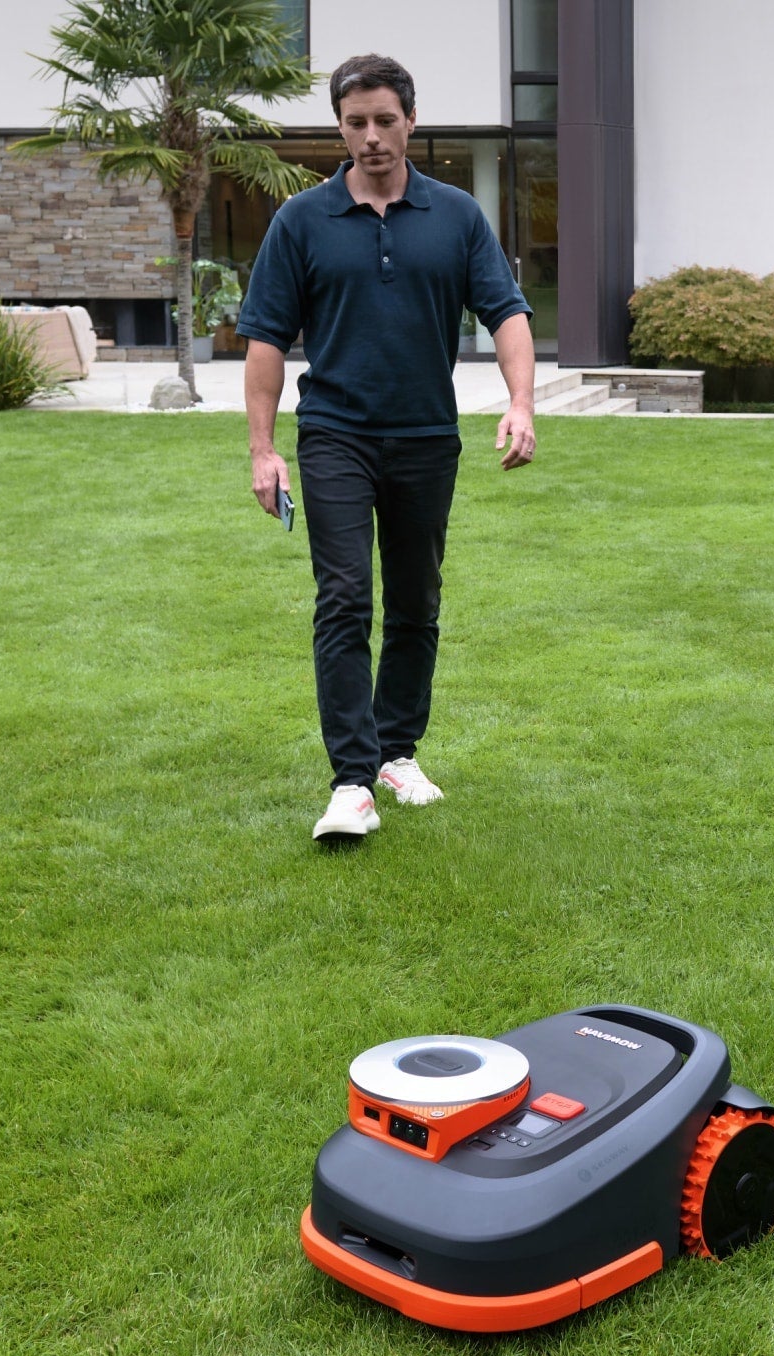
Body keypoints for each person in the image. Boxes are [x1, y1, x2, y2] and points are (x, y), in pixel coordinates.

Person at [234, 53, 537, 843]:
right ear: (339, 127)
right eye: (354, 122)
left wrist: (521, 402)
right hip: (334, 432)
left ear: (410, 119)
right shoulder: (301, 220)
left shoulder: (457, 216)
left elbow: (505, 313)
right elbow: (265, 339)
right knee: (343, 596)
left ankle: (398, 750)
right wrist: (264, 450)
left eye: (384, 120)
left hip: (427, 437)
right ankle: (350, 781)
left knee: (414, 601)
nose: (370, 137)